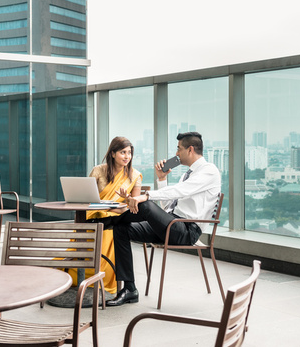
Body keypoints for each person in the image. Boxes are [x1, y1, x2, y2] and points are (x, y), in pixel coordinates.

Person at [106, 132, 221, 307]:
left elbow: (181, 191)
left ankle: (105, 221)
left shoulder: (209, 171)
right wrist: (162, 179)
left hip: (186, 231)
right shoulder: (187, 175)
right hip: (172, 224)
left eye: (179, 149)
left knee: (145, 205)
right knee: (121, 229)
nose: (176, 154)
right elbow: (169, 207)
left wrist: (146, 196)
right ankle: (130, 289)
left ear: (190, 149)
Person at [81, 136, 142, 295]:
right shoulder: (98, 171)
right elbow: (86, 197)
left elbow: (134, 207)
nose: (127, 156)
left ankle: (103, 276)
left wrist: (128, 199)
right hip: (94, 216)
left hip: (117, 220)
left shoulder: (135, 175)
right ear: (113, 153)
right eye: (123, 152)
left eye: (129, 153)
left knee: (112, 232)